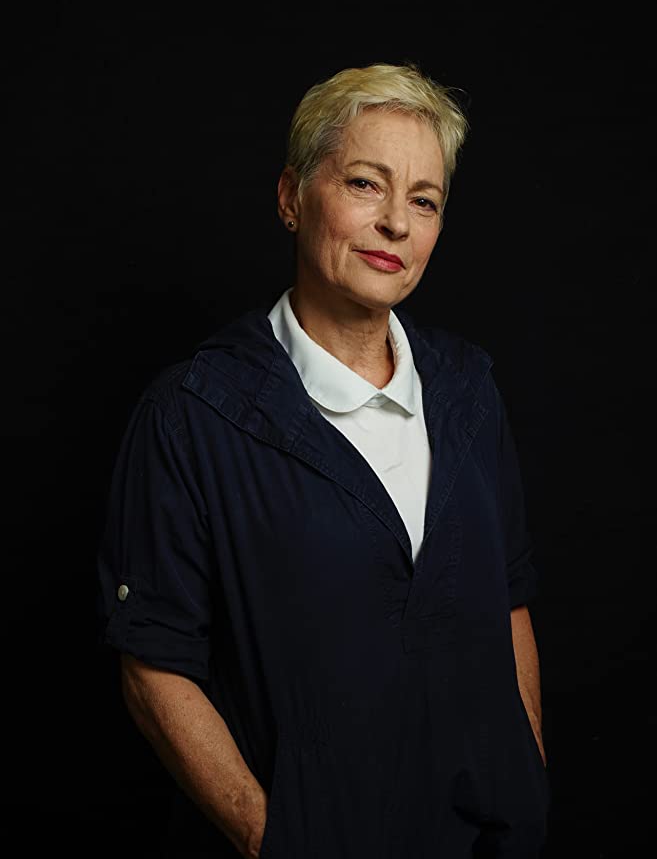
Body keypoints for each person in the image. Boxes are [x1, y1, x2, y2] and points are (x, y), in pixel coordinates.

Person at [97, 62, 550, 857]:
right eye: (366, 184)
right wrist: (272, 835)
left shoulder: (468, 392)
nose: (396, 224)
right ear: (291, 196)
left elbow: (507, 605)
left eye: (424, 199)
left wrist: (527, 786)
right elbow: (152, 666)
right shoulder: (192, 413)